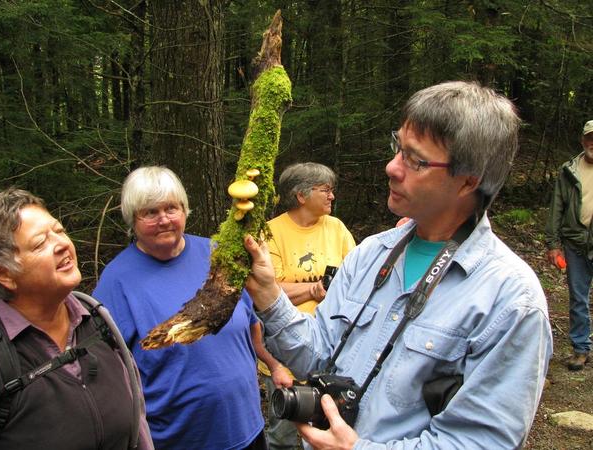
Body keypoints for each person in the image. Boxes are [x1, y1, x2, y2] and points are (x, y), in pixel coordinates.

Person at [243, 81, 553, 449]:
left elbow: (481, 441)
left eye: (415, 160)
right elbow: (317, 354)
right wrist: (267, 293)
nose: (392, 167)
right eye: (398, 148)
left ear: (468, 181)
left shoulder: (510, 300)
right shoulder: (370, 255)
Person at [93, 166, 268, 450]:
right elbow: (106, 373)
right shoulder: (117, 281)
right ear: (132, 220)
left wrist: (273, 365)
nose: (164, 220)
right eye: (150, 212)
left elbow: (250, 323)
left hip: (247, 429)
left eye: (171, 208)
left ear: (185, 210)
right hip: (178, 439)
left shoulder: (217, 253)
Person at [0, 187, 153, 449]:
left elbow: (138, 424)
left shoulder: (98, 320)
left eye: (59, 231)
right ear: (4, 274)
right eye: (40, 243)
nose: (62, 244)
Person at [258, 162, 356, 450]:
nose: (331, 196)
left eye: (332, 190)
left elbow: (356, 275)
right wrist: (313, 289)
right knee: (282, 435)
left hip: (331, 350)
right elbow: (267, 291)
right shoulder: (271, 233)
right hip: (283, 356)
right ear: (301, 196)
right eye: (325, 190)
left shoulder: (336, 228)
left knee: (331, 430)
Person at [545, 120, 593, 371]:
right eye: (590, 138)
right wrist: (553, 244)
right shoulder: (569, 171)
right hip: (575, 243)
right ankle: (581, 348)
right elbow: (557, 208)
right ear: (583, 140)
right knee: (578, 298)